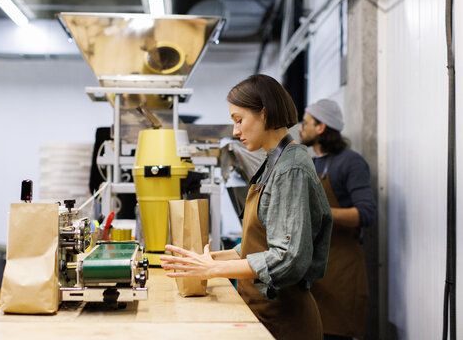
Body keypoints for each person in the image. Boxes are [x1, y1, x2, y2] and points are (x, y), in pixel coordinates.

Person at [160, 74, 333, 340]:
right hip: (264, 314)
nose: (235, 131)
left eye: (239, 120)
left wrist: (213, 270)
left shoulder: (291, 168)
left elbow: (287, 258)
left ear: (264, 113)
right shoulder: (273, 162)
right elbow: (259, 243)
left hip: (285, 320)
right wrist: (208, 259)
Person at [298, 99, 377, 340]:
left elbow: (366, 214)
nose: (301, 128)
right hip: (315, 273)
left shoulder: (350, 162)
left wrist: (321, 211)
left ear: (321, 128)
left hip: (342, 272)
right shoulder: (310, 164)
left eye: (306, 122)